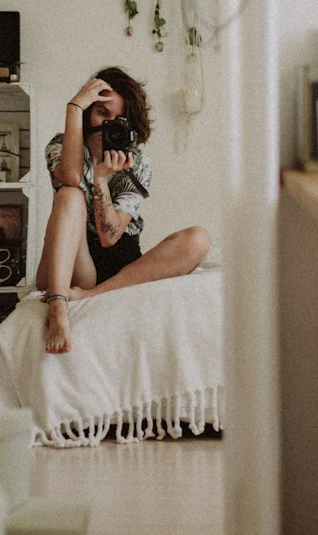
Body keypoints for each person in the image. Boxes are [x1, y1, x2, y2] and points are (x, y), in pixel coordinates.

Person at [35, 67, 211, 354]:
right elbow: (69, 177)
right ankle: (58, 306)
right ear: (88, 113)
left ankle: (90, 296)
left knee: (199, 238)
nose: (108, 126)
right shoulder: (62, 146)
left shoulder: (138, 161)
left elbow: (110, 237)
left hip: (120, 264)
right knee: (69, 194)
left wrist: (102, 180)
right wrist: (73, 106)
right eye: (102, 114)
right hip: (73, 261)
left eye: (119, 120)